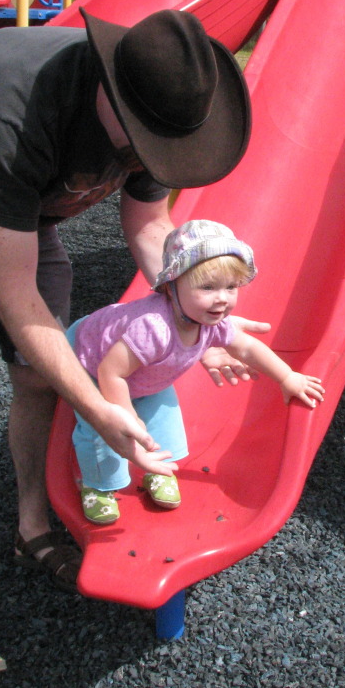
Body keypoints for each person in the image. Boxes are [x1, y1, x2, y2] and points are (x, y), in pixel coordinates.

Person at [0, 8, 264, 682]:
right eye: (145, 141)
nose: (150, 157)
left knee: (36, 374)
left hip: (24, 214)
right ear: (109, 92)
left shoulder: (161, 108)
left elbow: (151, 228)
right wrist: (97, 407)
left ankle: (31, 528)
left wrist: (195, 323)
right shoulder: (12, 112)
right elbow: (16, 297)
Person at [67, 219, 325, 524]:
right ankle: (98, 484)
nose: (222, 298)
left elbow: (245, 348)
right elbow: (111, 373)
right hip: (92, 362)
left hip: (145, 374)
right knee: (104, 427)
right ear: (171, 287)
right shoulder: (153, 328)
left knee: (165, 419)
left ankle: (157, 468)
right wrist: (125, 415)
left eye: (231, 287)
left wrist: (287, 376)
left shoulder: (210, 319)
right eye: (208, 287)